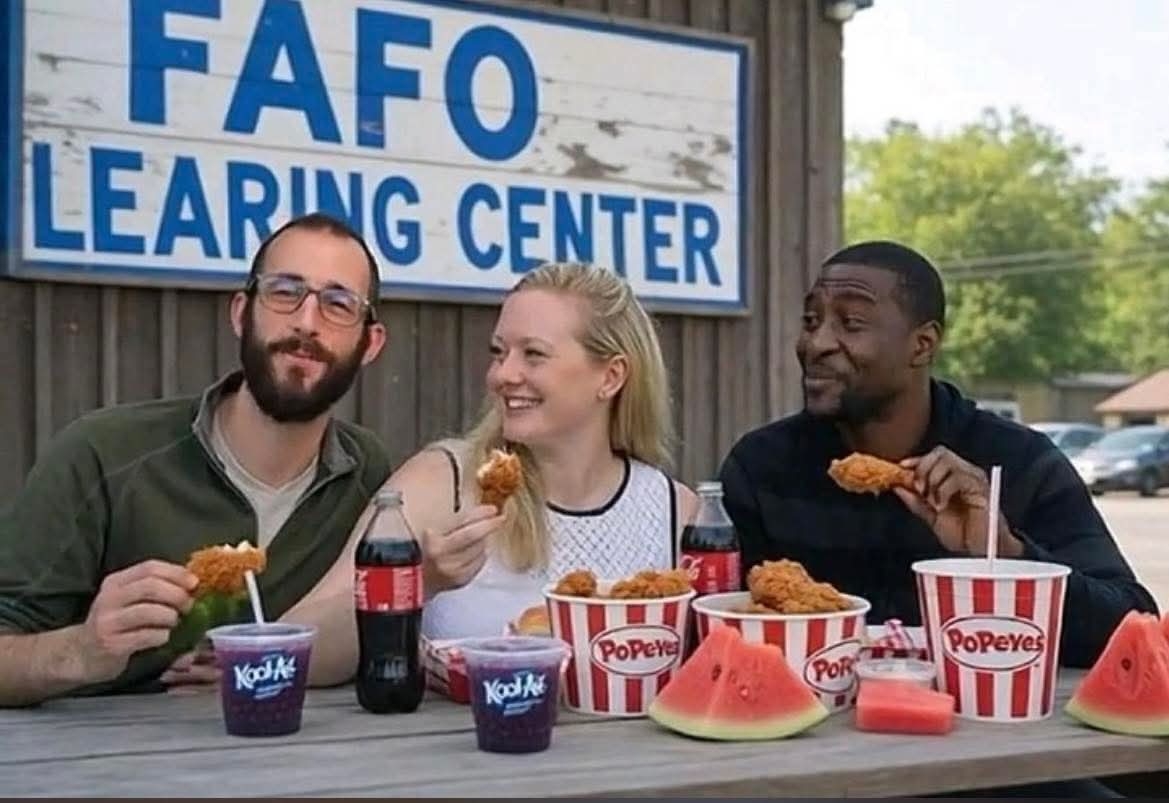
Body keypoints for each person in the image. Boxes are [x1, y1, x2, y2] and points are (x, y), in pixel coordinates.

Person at [718, 240, 1152, 797]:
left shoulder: (1017, 463)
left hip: (996, 764)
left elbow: (1130, 627)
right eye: (811, 320)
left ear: (922, 345)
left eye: (851, 323)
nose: (817, 342)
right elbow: (726, 637)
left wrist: (1006, 555)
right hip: (811, 762)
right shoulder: (762, 467)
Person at [0, 212, 392, 706]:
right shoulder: (103, 454)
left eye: (338, 304)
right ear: (241, 314)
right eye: (284, 291)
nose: (306, 322)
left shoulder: (368, 477)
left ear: (370, 343)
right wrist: (81, 650)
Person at [294, 261, 697, 679]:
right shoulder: (443, 481)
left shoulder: (676, 511)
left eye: (534, 354)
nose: (502, 374)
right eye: (499, 353)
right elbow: (299, 651)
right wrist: (420, 582)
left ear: (611, 377)